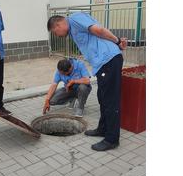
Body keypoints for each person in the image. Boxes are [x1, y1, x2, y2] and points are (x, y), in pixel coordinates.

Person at [47, 13, 127, 151]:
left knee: (110, 101)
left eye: (55, 32)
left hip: (109, 60)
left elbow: (99, 30)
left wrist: (118, 41)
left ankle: (112, 139)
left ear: (59, 25)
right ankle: (103, 129)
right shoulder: (72, 28)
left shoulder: (74, 19)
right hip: (102, 63)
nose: (57, 35)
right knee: (102, 98)